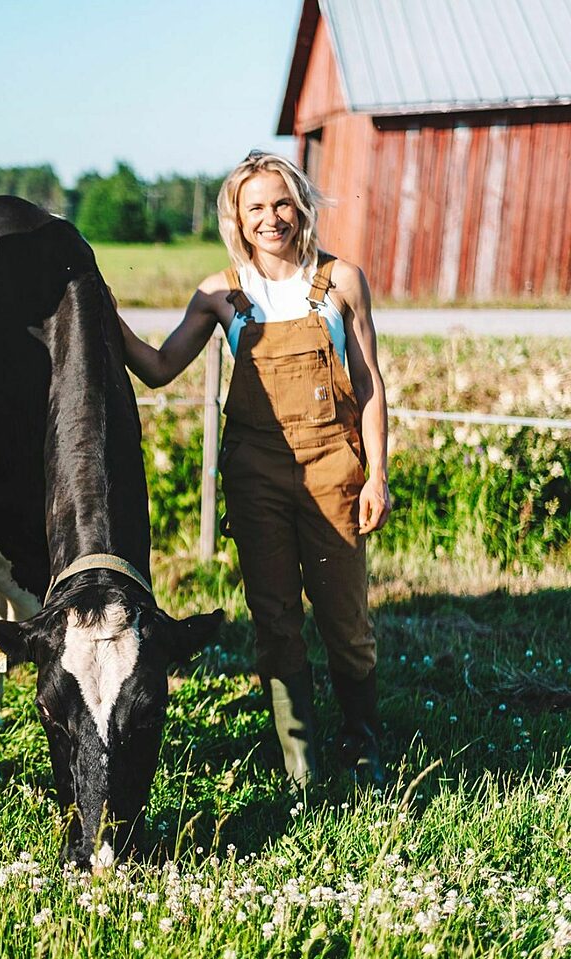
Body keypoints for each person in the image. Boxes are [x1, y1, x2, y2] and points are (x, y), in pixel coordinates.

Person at [115, 151, 390, 787]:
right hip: (256, 473)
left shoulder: (342, 281)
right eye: (256, 207)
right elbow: (158, 369)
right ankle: (301, 767)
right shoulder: (221, 294)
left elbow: (370, 384)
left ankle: (363, 741)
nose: (272, 218)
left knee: (345, 621)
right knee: (275, 622)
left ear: (302, 206)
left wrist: (377, 473)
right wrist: (107, 314)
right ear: (236, 217)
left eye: (283, 203)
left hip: (333, 467)